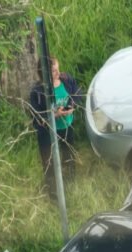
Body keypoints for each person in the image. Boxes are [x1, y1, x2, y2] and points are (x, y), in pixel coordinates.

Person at [29, 56, 82, 199]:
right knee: (49, 160)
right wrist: (54, 115)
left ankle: (70, 181)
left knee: (68, 153)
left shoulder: (66, 79)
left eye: (58, 69)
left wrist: (72, 106)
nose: (58, 73)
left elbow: (76, 94)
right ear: (44, 73)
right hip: (48, 132)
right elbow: (36, 118)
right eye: (53, 71)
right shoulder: (37, 92)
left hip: (66, 126)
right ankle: (52, 192)